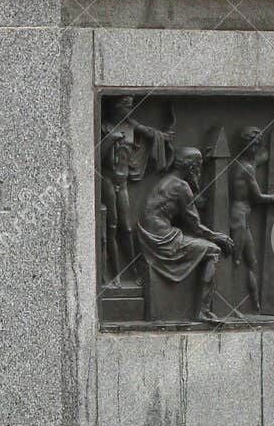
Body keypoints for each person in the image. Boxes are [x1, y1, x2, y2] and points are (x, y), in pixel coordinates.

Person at [136, 147, 233, 322]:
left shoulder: (167, 181)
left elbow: (184, 206)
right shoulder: (181, 186)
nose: (200, 171)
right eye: (199, 167)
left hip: (150, 234)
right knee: (213, 250)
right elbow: (195, 227)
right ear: (192, 167)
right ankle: (203, 311)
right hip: (162, 240)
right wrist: (219, 237)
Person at [99, 95, 173, 284]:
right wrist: (109, 140)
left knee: (127, 227)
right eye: (126, 106)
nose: (130, 110)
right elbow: (95, 158)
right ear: (116, 107)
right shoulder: (104, 126)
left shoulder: (131, 125)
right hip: (107, 180)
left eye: (131, 107)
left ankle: (132, 272)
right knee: (112, 226)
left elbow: (151, 133)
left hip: (123, 182)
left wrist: (164, 136)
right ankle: (115, 274)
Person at [228, 126, 274, 311]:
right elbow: (258, 197)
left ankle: (256, 305)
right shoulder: (246, 168)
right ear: (244, 145)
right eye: (252, 145)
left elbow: (263, 157)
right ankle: (228, 305)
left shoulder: (248, 163)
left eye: (257, 145)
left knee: (251, 262)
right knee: (234, 260)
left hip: (244, 218)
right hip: (238, 219)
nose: (255, 149)